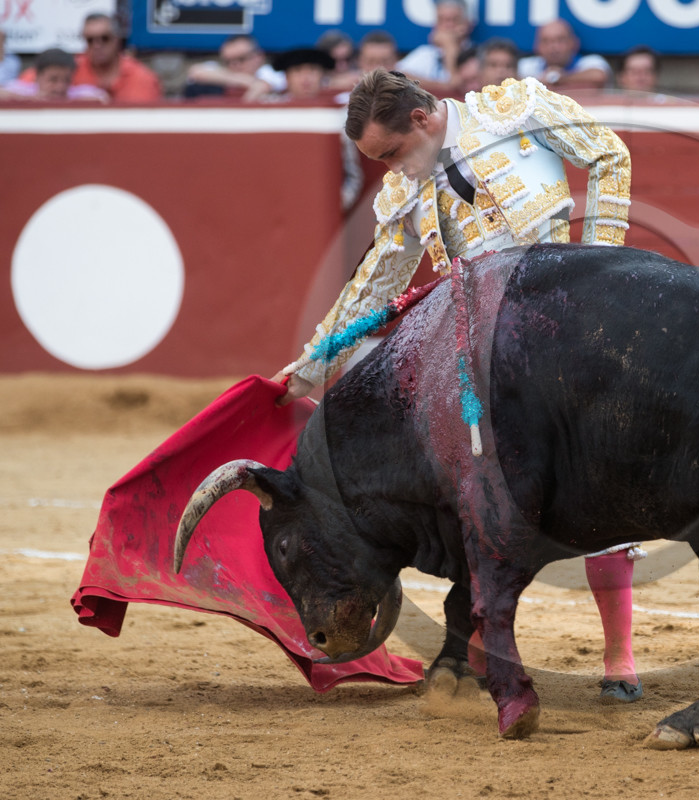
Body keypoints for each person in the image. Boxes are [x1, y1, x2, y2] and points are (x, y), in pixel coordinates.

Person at [272, 70, 643, 702]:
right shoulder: (403, 194)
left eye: (390, 154)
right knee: (478, 496)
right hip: (480, 352)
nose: (392, 170)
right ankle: (477, 649)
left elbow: (609, 153)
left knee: (598, 473)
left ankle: (621, 657)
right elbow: (373, 288)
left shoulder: (514, 110)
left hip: (566, 322)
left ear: (420, 120)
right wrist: (307, 366)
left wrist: (598, 264)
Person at [73, 13, 160, 101]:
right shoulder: (72, 72)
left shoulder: (142, 78)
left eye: (105, 38)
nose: (97, 45)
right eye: (90, 40)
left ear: (116, 39)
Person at [397, 0, 475, 97]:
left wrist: (449, 47)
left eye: (454, 20)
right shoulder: (425, 53)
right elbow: (398, 76)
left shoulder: (476, 54)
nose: (448, 26)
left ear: (468, 23)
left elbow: (456, 84)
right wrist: (442, 86)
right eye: (442, 20)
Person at [518, 18, 611, 90]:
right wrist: (539, 82)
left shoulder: (591, 62)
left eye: (560, 40)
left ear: (574, 43)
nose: (553, 48)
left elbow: (599, 76)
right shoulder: (526, 66)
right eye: (546, 41)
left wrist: (560, 78)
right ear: (537, 46)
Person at [184, 34, 285, 99]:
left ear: (259, 57)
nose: (234, 65)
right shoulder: (220, 70)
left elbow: (264, 86)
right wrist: (243, 80)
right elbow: (195, 72)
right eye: (228, 61)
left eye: (241, 59)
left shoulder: (269, 72)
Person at [0, 48, 107, 102]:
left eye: (66, 80)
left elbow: (103, 98)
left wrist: (68, 102)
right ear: (37, 77)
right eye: (53, 80)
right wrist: (33, 99)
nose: (60, 87)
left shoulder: (73, 93)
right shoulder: (26, 90)